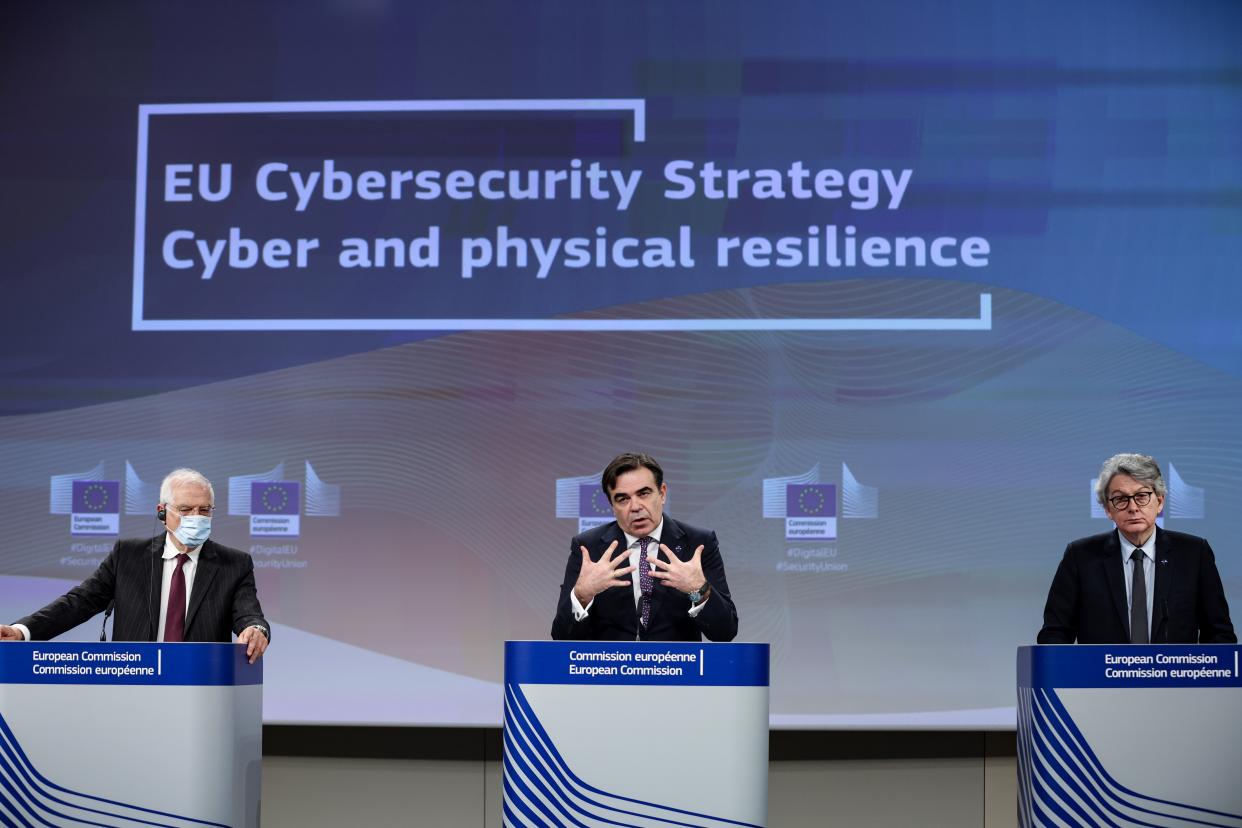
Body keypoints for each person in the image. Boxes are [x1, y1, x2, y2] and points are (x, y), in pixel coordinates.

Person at [0, 468, 270, 662]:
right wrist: (22, 631)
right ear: (162, 512)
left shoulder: (234, 563)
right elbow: (80, 602)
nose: (197, 517)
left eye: (205, 510)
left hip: (199, 688)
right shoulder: (128, 555)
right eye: (186, 510)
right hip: (133, 684)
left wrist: (255, 630)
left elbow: (248, 614)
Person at [1038, 453, 1235, 645]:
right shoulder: (1080, 557)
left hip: (1173, 677)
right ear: (1108, 509)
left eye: (1142, 496)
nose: (1132, 507)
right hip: (1102, 677)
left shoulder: (1194, 554)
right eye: (1120, 499)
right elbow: (1055, 634)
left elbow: (1219, 635)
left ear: (1159, 501)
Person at [551, 452, 738, 641]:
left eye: (644, 493)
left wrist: (698, 590)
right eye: (622, 499)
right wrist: (582, 596)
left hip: (677, 667)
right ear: (611, 505)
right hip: (610, 667)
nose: (635, 507)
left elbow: (725, 632)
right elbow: (561, 637)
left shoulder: (698, 543)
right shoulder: (588, 547)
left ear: (662, 493)